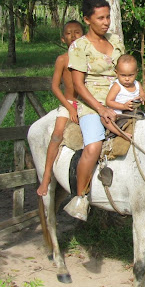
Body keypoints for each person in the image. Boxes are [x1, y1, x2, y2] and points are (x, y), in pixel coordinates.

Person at [64, 0, 125, 220]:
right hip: (92, 102)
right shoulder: (79, 47)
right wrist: (100, 109)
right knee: (93, 146)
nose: (106, 22)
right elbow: (78, 86)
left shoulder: (116, 40)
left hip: (120, 97)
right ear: (87, 19)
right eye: (100, 18)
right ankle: (80, 197)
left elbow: (124, 69)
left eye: (108, 16)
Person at [36, 20, 84, 196]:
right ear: (63, 39)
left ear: (84, 35)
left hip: (86, 104)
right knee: (57, 135)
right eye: (69, 33)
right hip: (69, 103)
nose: (73, 36)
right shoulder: (62, 60)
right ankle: (47, 175)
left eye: (77, 32)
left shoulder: (87, 58)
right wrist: (70, 109)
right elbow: (56, 87)